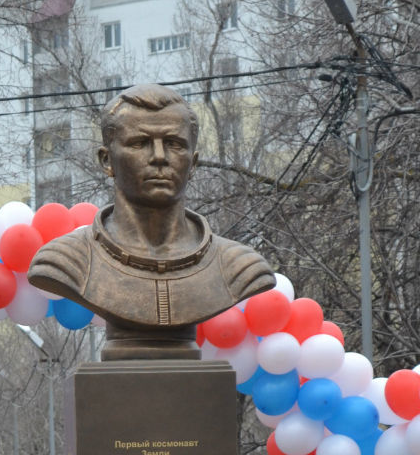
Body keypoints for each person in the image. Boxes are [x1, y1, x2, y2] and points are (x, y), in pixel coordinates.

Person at [28, 83, 274, 360]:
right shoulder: (66, 262)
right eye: (140, 143)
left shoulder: (238, 268)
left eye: (174, 144)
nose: (159, 156)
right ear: (106, 160)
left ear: (193, 163)